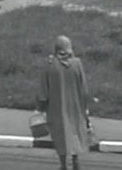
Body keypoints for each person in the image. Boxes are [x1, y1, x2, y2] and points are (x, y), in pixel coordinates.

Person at [37, 36, 90, 170]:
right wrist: (85, 106)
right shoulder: (77, 63)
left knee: (60, 135)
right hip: (75, 107)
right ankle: (75, 160)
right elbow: (84, 88)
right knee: (75, 132)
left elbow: (43, 89)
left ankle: (63, 164)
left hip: (56, 108)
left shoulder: (50, 64)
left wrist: (41, 106)